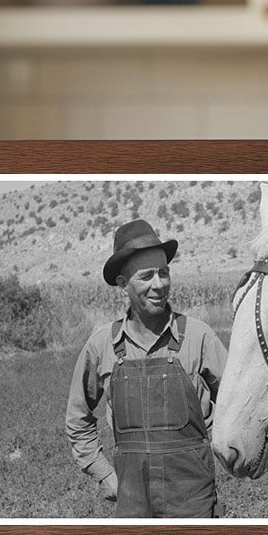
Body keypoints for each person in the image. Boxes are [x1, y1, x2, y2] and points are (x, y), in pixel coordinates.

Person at [65, 218, 228, 518]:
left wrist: (224, 448)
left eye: (164, 273)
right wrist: (103, 473)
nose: (159, 285)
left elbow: (236, 404)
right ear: (123, 285)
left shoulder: (199, 336)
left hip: (194, 501)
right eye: (147, 276)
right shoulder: (102, 344)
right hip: (133, 502)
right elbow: (78, 419)